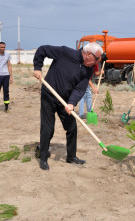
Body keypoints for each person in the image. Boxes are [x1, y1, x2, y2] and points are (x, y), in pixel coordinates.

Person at [33, 42, 103, 170]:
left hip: (65, 101)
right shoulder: (65, 53)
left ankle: (71, 157)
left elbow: (80, 88)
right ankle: (43, 157)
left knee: (71, 127)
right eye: (96, 59)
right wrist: (37, 68)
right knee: (48, 128)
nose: (96, 63)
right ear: (88, 54)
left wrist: (71, 103)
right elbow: (42, 50)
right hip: (48, 96)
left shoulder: (88, 69)